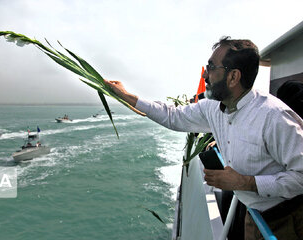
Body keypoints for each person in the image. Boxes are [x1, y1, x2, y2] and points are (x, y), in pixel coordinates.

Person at [105, 36, 303, 240]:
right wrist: (127, 96)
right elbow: (173, 116)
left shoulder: (274, 117)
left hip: (287, 221)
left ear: (233, 77)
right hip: (253, 214)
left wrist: (245, 182)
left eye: (211, 67)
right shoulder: (213, 108)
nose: (206, 76)